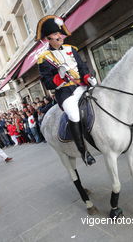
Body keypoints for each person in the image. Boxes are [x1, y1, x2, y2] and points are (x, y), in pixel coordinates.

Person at [36, 15, 97, 166]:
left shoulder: (72, 49)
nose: (60, 36)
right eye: (56, 34)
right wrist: (60, 77)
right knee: (74, 114)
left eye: (59, 33)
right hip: (65, 93)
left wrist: (88, 77)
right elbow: (48, 82)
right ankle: (83, 152)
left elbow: (82, 67)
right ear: (49, 38)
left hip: (82, 86)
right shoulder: (44, 58)